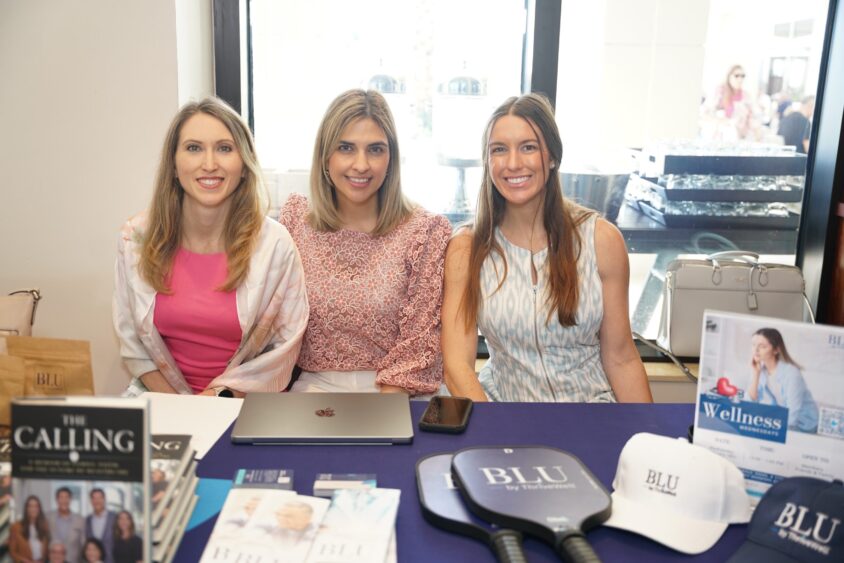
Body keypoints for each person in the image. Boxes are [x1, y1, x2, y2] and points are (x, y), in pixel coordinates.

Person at [441, 93, 653, 403]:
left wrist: (645, 439)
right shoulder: (468, 248)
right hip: (505, 414)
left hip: (592, 416)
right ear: (488, 161)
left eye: (528, 147)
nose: (513, 163)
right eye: (499, 150)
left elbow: (621, 358)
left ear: (552, 156)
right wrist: (497, 434)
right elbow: (457, 367)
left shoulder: (601, 240)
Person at [113, 97, 309, 397]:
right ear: (174, 165)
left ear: (244, 165)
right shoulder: (135, 239)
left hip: (240, 404)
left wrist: (216, 401)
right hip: (158, 398)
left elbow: (283, 349)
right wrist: (180, 407)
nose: (209, 164)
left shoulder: (275, 246)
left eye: (224, 148)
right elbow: (132, 342)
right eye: (193, 148)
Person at [279, 89, 451, 395]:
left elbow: (420, 343)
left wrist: (380, 423)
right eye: (346, 148)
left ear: (391, 158)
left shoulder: (425, 231)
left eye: (375, 149)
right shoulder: (296, 221)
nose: (361, 164)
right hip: (315, 390)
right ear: (325, 156)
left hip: (402, 394)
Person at [747, 328, 818, 432]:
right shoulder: (760, 370)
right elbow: (749, 403)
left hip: (804, 424)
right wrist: (756, 374)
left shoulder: (792, 374)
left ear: (776, 350)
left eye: (762, 346)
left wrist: (774, 429)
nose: (756, 350)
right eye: (753, 344)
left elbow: (793, 413)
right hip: (783, 419)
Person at [700, 64, 757, 140]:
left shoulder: (746, 97)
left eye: (743, 76)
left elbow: (752, 118)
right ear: (729, 76)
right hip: (718, 136)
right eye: (736, 76)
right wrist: (720, 121)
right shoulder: (719, 92)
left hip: (739, 137)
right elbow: (704, 113)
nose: (740, 79)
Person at [46, 488, 85, 563]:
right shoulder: (48, 517)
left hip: (73, 560)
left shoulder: (80, 519)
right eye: (61, 497)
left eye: (67, 497)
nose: (64, 501)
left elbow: (83, 543)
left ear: (70, 500)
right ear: (56, 500)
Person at [9, 495, 49, 563]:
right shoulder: (16, 527)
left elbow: (47, 549)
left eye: (36, 506)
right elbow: (12, 552)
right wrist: (26, 561)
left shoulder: (45, 526)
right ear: (26, 508)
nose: (33, 509)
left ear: (39, 509)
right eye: (30, 506)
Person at [83, 489, 116, 563]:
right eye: (94, 498)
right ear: (91, 501)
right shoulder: (88, 520)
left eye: (99, 498)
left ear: (104, 499)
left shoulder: (114, 518)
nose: (97, 501)